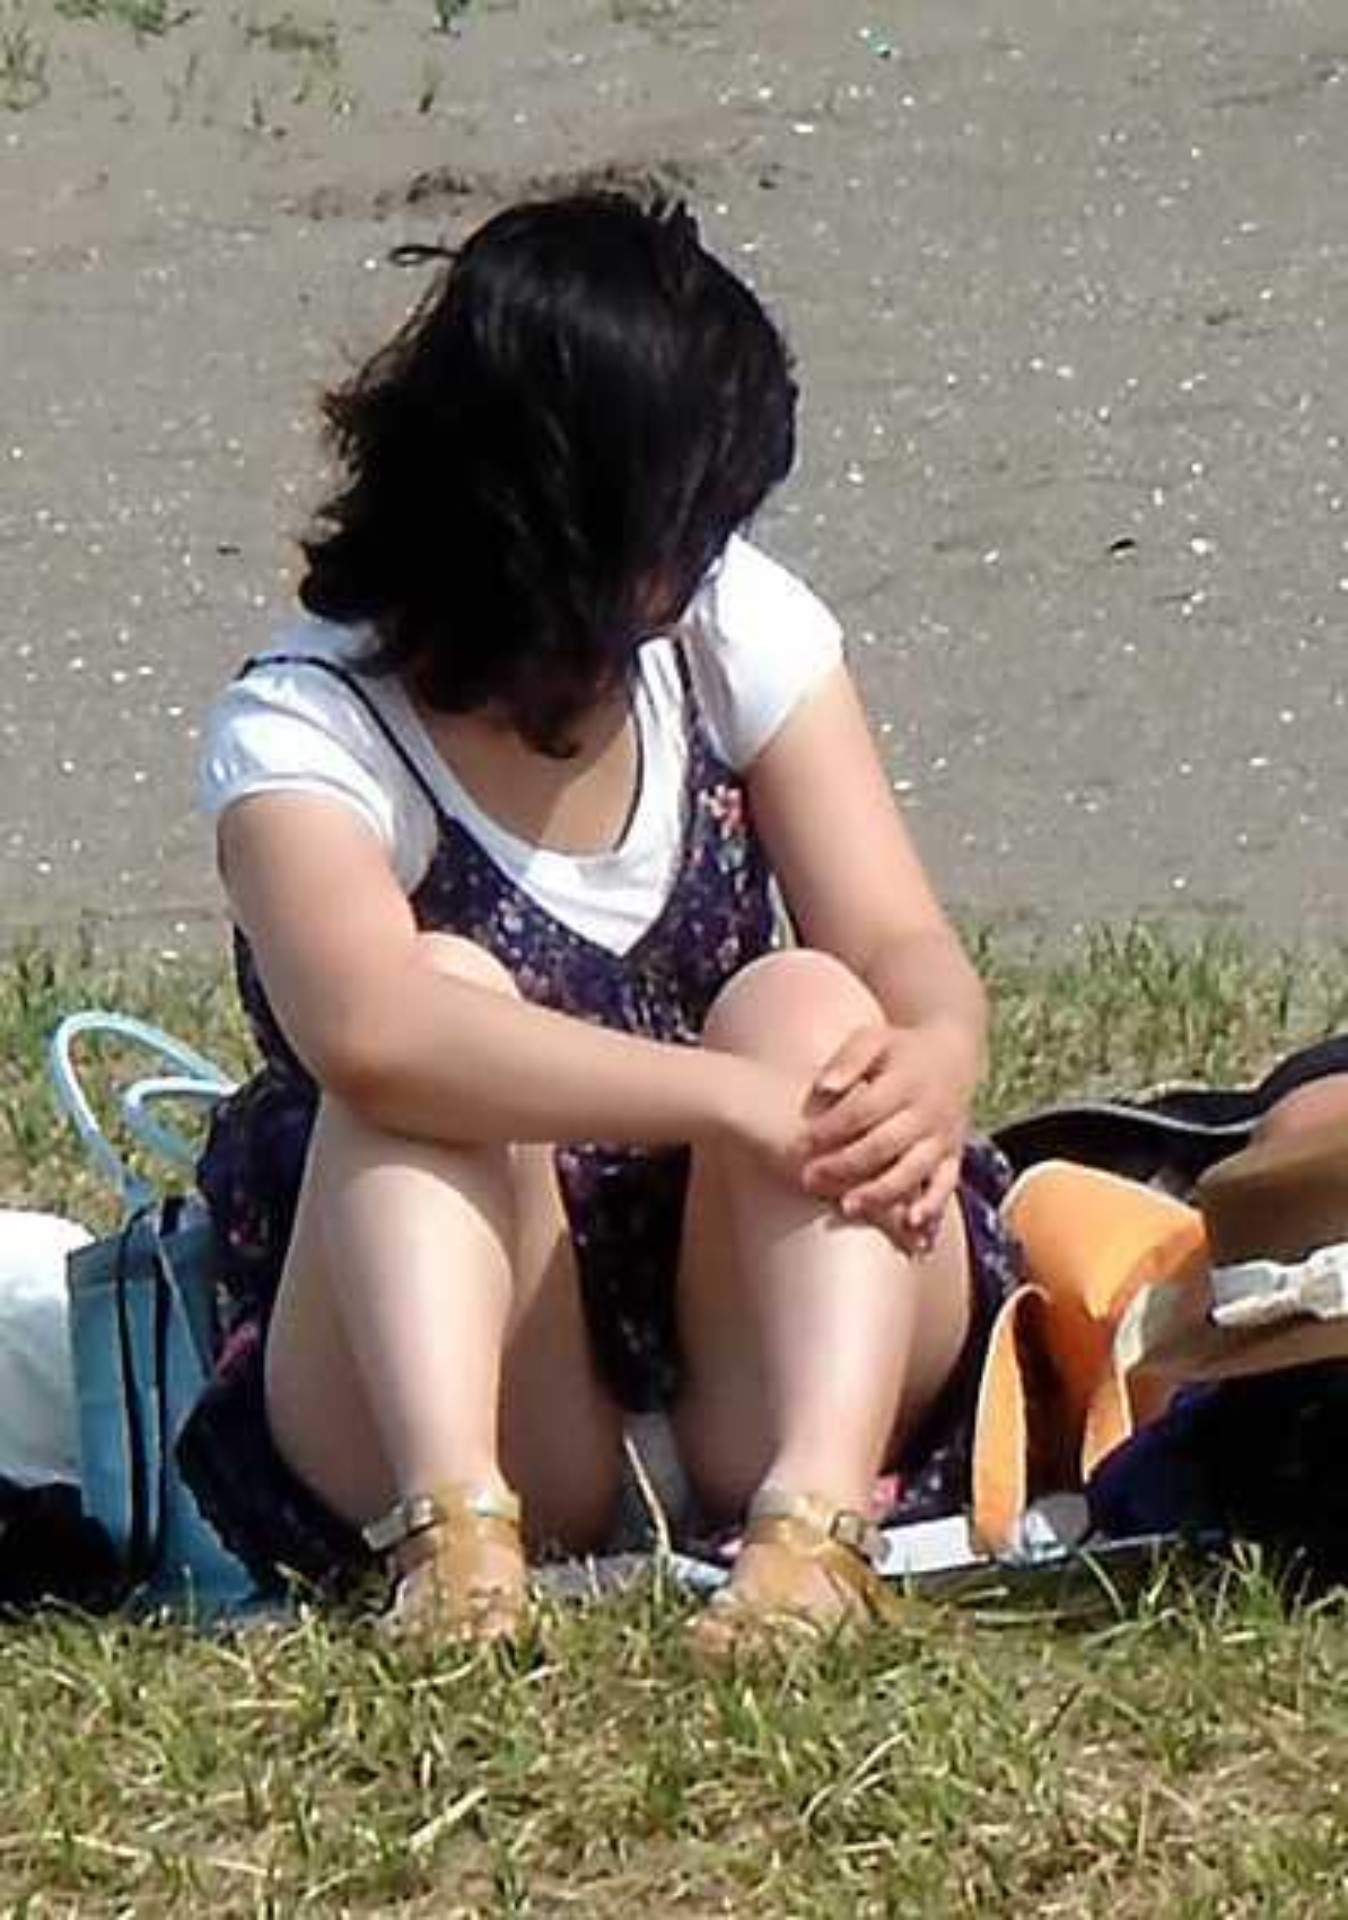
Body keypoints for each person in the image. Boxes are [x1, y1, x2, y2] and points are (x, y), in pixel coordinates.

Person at [178, 187, 1020, 1658]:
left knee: (814, 1006)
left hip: (751, 1335)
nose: (699, 565)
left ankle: (817, 1528)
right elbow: (376, 1032)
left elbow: (899, 940)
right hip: (496, 1383)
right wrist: (730, 1099)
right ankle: (457, 1549)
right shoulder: (307, 730)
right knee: (439, 1023)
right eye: (680, 529)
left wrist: (936, 1050)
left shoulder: (723, 628)